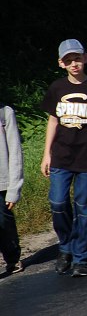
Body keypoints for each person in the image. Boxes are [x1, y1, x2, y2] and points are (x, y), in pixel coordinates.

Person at [41, 39, 87, 277]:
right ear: (61, 63)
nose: (74, 64)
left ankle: (82, 257)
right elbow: (52, 120)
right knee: (58, 203)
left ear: (85, 58)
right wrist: (46, 154)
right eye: (69, 60)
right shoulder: (57, 88)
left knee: (85, 208)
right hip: (61, 156)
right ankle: (65, 248)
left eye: (78, 58)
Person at [0, 105, 24, 275]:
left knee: (3, 222)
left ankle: (12, 257)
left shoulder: (5, 112)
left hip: (2, 182)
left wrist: (14, 187)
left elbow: (15, 151)